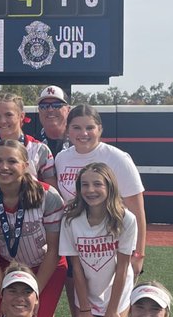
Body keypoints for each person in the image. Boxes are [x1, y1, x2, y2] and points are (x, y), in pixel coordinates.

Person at [0, 139, 66, 317]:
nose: (4, 166)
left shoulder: (48, 196)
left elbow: (54, 250)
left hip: (45, 264)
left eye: (12, 161)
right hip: (6, 267)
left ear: (25, 165)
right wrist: (3, 291)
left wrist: (34, 291)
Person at [53, 104, 147, 278]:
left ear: (100, 129)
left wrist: (139, 254)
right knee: (79, 293)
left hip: (111, 243)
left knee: (115, 294)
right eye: (76, 127)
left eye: (90, 127)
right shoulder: (61, 158)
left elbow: (137, 210)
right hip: (77, 244)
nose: (84, 133)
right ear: (67, 130)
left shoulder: (118, 158)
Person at [59, 163, 139, 317]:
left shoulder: (125, 219)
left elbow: (122, 268)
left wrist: (112, 312)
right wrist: (85, 310)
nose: (90, 190)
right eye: (85, 185)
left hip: (116, 291)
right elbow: (76, 268)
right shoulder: (70, 220)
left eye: (97, 184)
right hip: (87, 292)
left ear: (109, 186)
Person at [0, 92, 56, 188]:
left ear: (21, 116)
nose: (2, 121)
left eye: (9, 115)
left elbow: (51, 190)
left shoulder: (40, 149)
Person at [35, 85, 71, 156]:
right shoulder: (30, 144)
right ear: (39, 110)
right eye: (44, 106)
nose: (50, 110)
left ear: (68, 110)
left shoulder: (79, 141)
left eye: (56, 105)